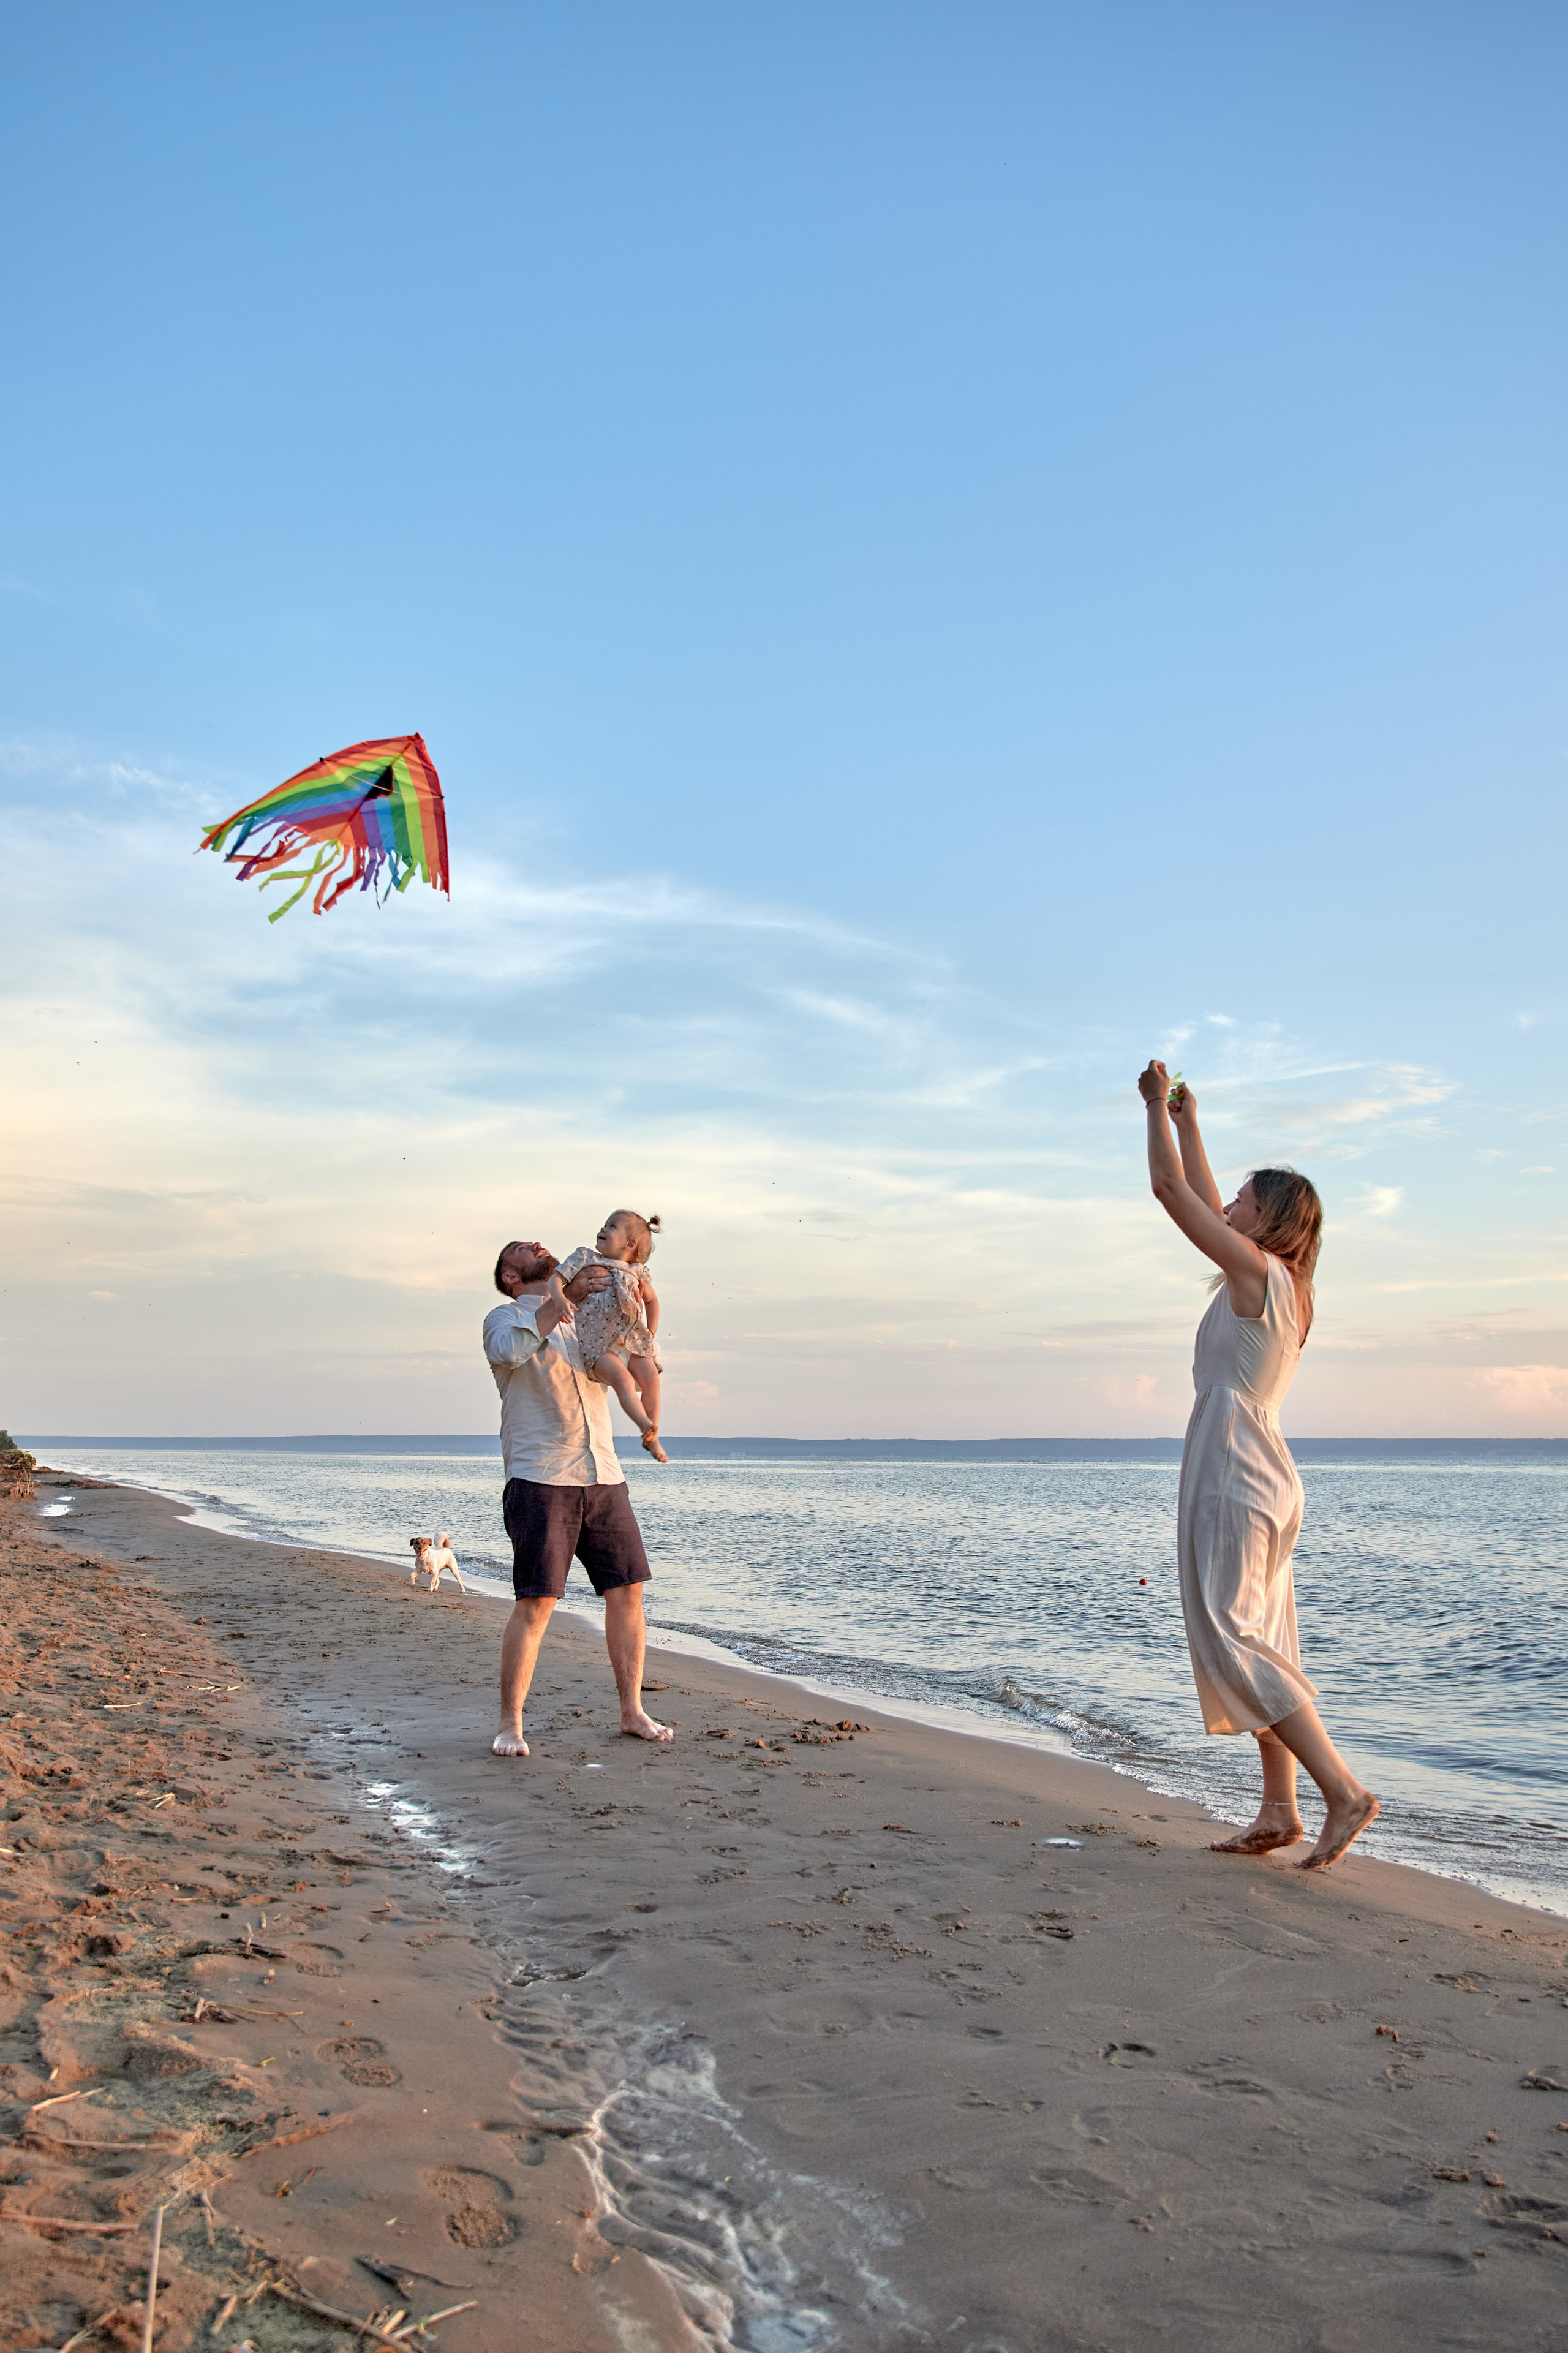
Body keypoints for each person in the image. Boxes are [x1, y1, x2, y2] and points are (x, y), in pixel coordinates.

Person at [1138, 1061, 1378, 1870]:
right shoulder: (1286, 1285)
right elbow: (1203, 1199)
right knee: (1266, 1636)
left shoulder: (1255, 1275)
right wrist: (1188, 1122)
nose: (1228, 1208)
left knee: (1237, 1637)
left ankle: (1342, 1790)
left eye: (1242, 1201)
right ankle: (1279, 1809)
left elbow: (1172, 1194)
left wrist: (1153, 1110)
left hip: (1235, 1468)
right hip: (1263, 1468)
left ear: (1267, 1220)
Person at [483, 1239, 674, 1758]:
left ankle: (632, 1711)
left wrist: (636, 1301)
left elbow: (630, 1355)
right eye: (522, 1248)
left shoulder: (584, 1316)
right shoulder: (505, 1318)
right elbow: (510, 1352)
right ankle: (510, 1725)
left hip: (604, 1474)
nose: (537, 1244)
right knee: (536, 1602)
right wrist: (562, 1297)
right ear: (511, 1276)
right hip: (541, 1479)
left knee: (628, 1592)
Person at [545, 1210, 667, 1460]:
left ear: (630, 1244)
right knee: (623, 1380)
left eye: (612, 1226)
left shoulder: (637, 1272)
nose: (603, 1229)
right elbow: (555, 1281)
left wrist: (651, 1332)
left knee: (652, 1378)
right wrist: (560, 1299)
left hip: (632, 1340)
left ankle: (653, 1435)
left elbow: (652, 1301)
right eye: (605, 1225)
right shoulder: (586, 1258)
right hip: (597, 1343)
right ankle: (644, 1424)